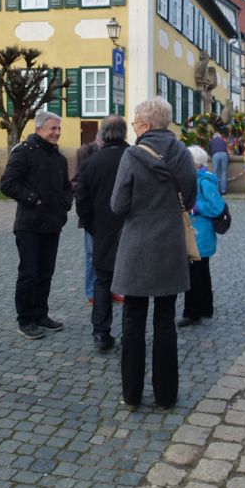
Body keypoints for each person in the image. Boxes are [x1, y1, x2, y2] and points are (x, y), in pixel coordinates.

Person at [110, 97, 196, 410]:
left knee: (133, 320)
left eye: (134, 122)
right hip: (170, 244)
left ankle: (132, 395)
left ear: (145, 125)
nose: (133, 127)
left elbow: (118, 205)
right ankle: (166, 396)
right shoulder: (183, 153)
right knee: (165, 321)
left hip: (138, 245)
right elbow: (190, 199)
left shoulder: (132, 155)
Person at [0, 111, 73, 339]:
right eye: (53, 128)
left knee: (45, 273)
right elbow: (8, 183)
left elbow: (66, 187)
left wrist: (65, 205)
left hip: (52, 224)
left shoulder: (59, 158)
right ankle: (25, 319)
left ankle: (41, 314)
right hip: (29, 224)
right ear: (39, 129)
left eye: (59, 128)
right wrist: (32, 198)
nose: (57, 133)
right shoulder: (24, 152)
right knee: (29, 273)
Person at [74, 116, 129, 351]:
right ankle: (131, 332)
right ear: (124, 133)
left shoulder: (91, 163)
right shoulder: (135, 158)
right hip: (131, 228)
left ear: (103, 134)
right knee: (131, 283)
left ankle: (100, 332)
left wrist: (92, 226)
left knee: (102, 280)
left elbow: (81, 200)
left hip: (102, 230)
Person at [179, 146, 226, 327]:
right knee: (202, 273)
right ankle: (206, 307)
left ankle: (192, 312)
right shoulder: (198, 179)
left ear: (195, 163)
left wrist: (195, 208)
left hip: (200, 235)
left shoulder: (203, 181)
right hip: (198, 234)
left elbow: (216, 207)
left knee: (195, 274)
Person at [74, 135, 101, 306]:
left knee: (113, 254)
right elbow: (77, 181)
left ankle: (111, 288)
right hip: (91, 213)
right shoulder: (86, 151)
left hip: (110, 213)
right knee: (91, 254)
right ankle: (91, 290)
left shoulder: (118, 149)